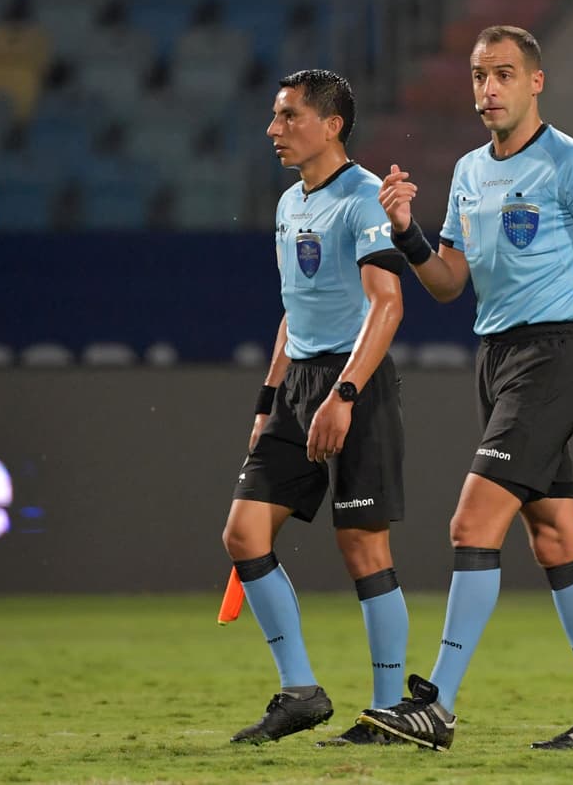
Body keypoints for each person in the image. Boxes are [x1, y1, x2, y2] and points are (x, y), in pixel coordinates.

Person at [357, 25, 573, 751]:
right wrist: (407, 234)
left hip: (554, 359)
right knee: (554, 535)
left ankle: (439, 705)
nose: (489, 88)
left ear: (536, 82)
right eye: (480, 75)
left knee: (471, 523)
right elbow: (451, 285)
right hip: (497, 359)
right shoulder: (466, 172)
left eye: (504, 74)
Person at [221, 70, 411, 747]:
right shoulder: (288, 203)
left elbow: (387, 305)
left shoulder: (363, 201)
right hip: (299, 385)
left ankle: (390, 711)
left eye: (287, 116)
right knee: (244, 535)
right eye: (275, 117)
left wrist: (346, 394)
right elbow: (292, 310)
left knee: (363, 546)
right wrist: (267, 402)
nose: (274, 130)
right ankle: (301, 692)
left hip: (353, 383)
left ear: (330, 125)